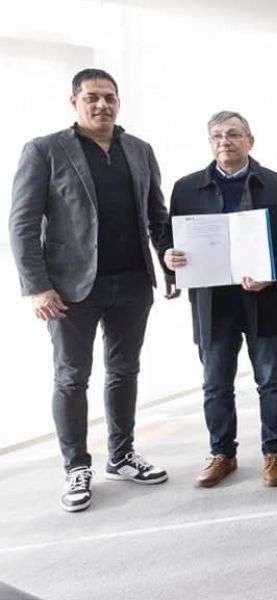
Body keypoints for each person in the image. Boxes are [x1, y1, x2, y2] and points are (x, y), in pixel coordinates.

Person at [10, 68, 172, 512]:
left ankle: (121, 456)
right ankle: (75, 467)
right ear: (74, 102)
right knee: (71, 378)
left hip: (133, 282)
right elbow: (22, 223)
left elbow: (157, 215)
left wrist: (170, 265)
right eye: (93, 97)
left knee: (124, 371)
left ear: (119, 101)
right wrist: (37, 287)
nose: (102, 105)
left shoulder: (138, 150)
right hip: (68, 289)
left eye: (109, 97)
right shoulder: (45, 150)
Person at [163, 111, 277, 489]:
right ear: (210, 142)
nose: (225, 141)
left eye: (233, 134)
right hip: (213, 303)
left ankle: (274, 452)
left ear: (250, 140)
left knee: (271, 380)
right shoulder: (186, 188)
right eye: (217, 136)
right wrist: (169, 258)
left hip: (265, 299)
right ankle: (221, 453)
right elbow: (169, 239)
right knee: (215, 383)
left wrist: (272, 271)